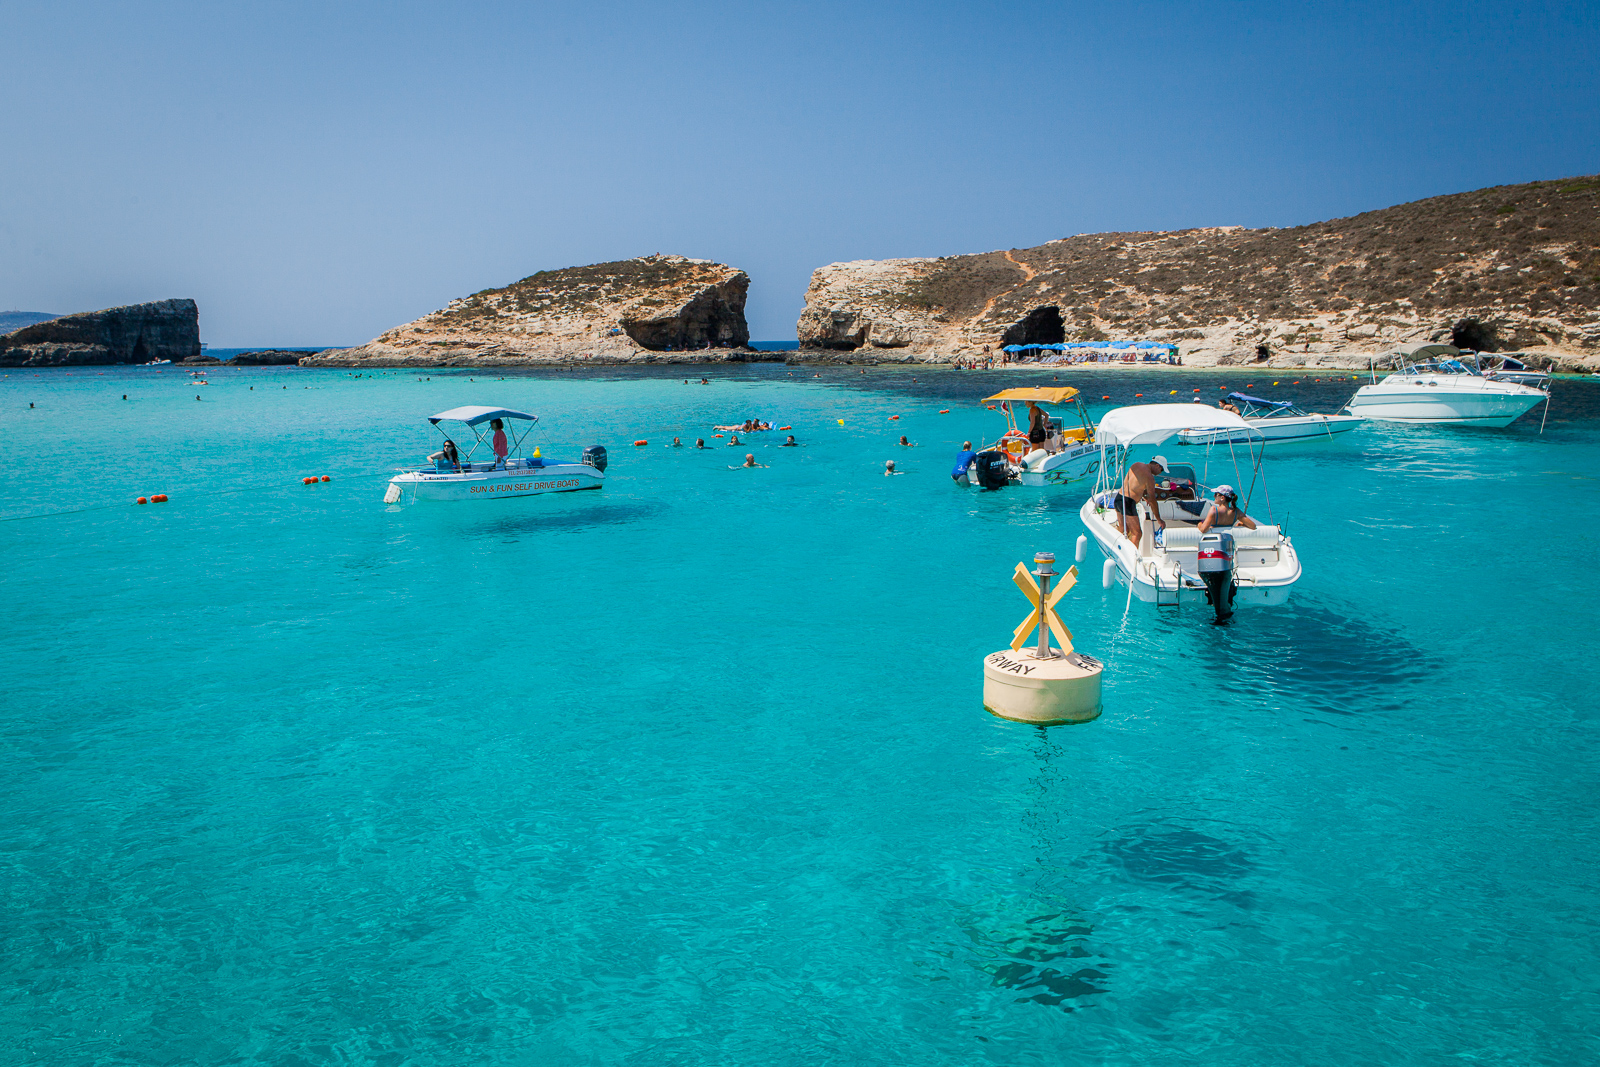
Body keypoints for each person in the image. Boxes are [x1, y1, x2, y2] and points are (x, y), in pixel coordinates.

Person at [1114, 454, 1167, 547]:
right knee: (1137, 534)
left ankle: (1117, 550)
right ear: (1157, 465)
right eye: (1161, 470)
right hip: (1128, 503)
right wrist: (1159, 520)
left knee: (1123, 530)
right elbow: (1153, 500)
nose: (1160, 473)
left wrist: (1143, 495)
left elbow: (1134, 484)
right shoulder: (1150, 477)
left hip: (1118, 498)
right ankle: (1132, 559)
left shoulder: (1136, 465)